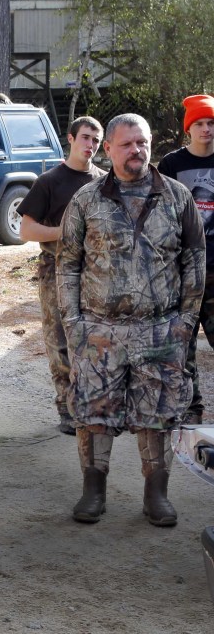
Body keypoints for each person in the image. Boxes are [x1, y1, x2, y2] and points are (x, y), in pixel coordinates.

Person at [58, 113, 204, 527]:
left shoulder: (176, 197)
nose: (136, 150)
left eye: (142, 142)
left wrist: (185, 323)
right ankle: (93, 489)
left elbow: (195, 262)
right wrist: (74, 322)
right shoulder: (87, 200)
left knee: (157, 413)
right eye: (126, 144)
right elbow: (67, 264)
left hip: (160, 331)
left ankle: (156, 493)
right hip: (98, 330)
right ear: (109, 149)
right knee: (92, 412)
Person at [18, 117, 105, 436]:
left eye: (96, 140)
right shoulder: (49, 181)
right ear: (70, 138)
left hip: (97, 272)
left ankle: (93, 404)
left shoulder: (105, 182)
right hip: (57, 270)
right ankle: (67, 408)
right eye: (85, 137)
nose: (90, 145)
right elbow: (26, 230)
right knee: (60, 340)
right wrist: (67, 232)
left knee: (96, 340)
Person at [158, 94, 214, 424]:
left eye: (211, 123)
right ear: (188, 129)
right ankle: (191, 411)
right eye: (200, 124)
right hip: (184, 273)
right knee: (183, 346)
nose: (207, 129)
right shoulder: (171, 165)